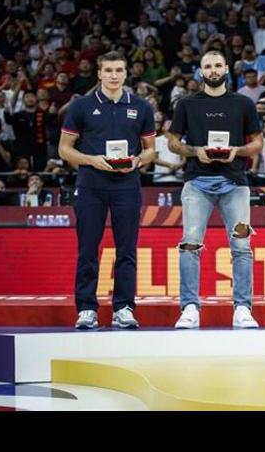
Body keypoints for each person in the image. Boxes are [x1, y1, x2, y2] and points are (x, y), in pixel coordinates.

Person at [59, 51, 156, 330]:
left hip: (127, 185)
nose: (114, 75)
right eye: (109, 70)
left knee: (127, 250)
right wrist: (92, 160)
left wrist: (138, 160)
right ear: (99, 74)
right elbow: (64, 149)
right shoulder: (82, 106)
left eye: (119, 70)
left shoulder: (141, 107)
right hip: (91, 185)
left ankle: (124, 308)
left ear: (126, 74)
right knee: (88, 248)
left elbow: (150, 151)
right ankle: (87, 308)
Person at [166, 51, 263, 330]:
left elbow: (257, 143)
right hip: (197, 182)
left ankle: (243, 308)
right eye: (207, 66)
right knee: (190, 244)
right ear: (201, 71)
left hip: (235, 183)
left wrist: (238, 151)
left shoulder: (243, 103)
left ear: (226, 68)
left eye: (217, 65)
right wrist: (195, 151)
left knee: (242, 247)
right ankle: (190, 308)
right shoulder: (187, 103)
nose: (213, 70)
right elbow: (172, 141)